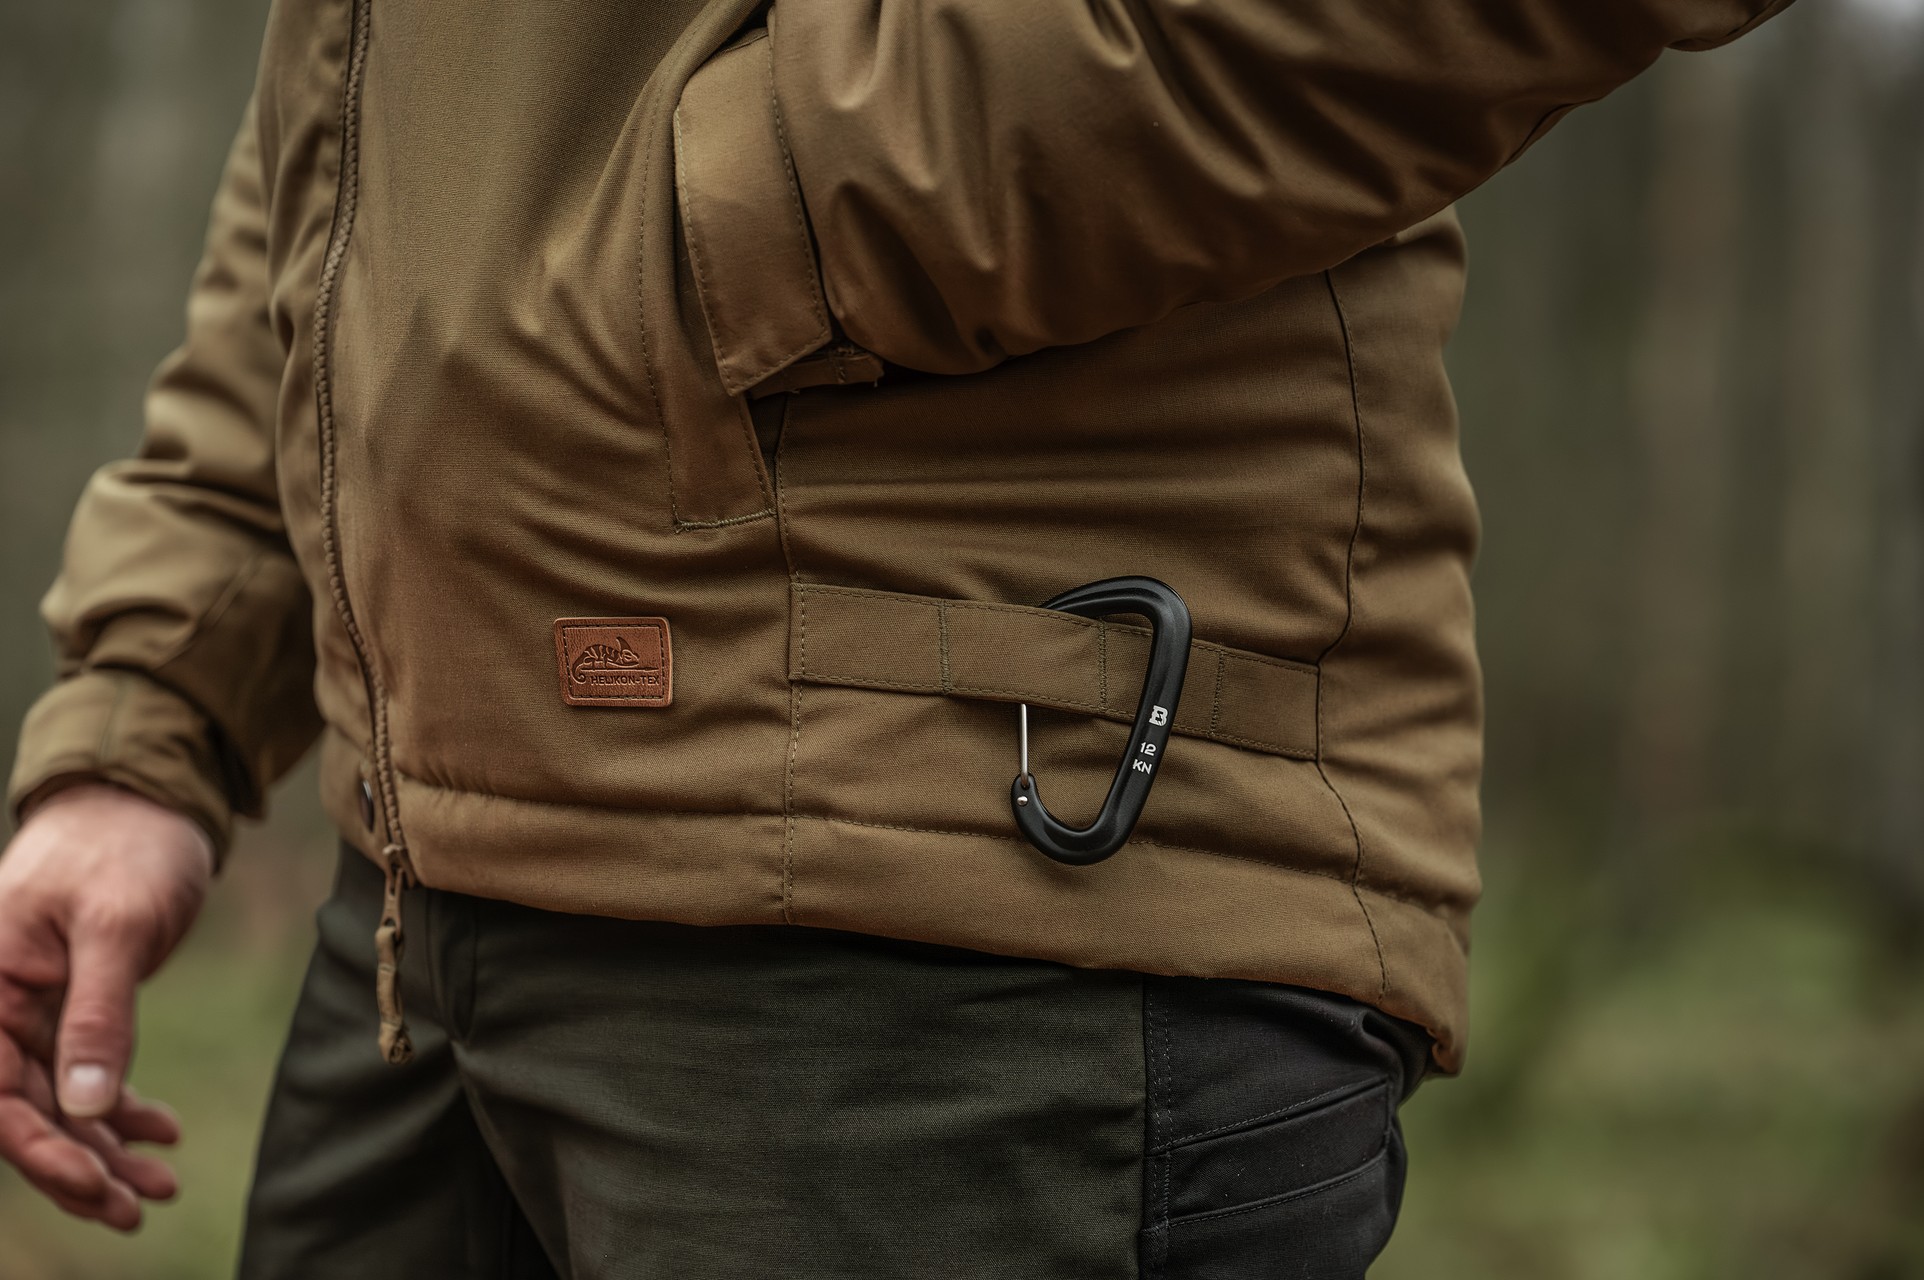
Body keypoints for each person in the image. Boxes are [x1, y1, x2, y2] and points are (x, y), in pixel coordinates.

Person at [0, 0, 1795, 1274]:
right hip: (428, 922)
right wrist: (162, 699)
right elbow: (361, 123)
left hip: (955, 916)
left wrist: (762, 206)